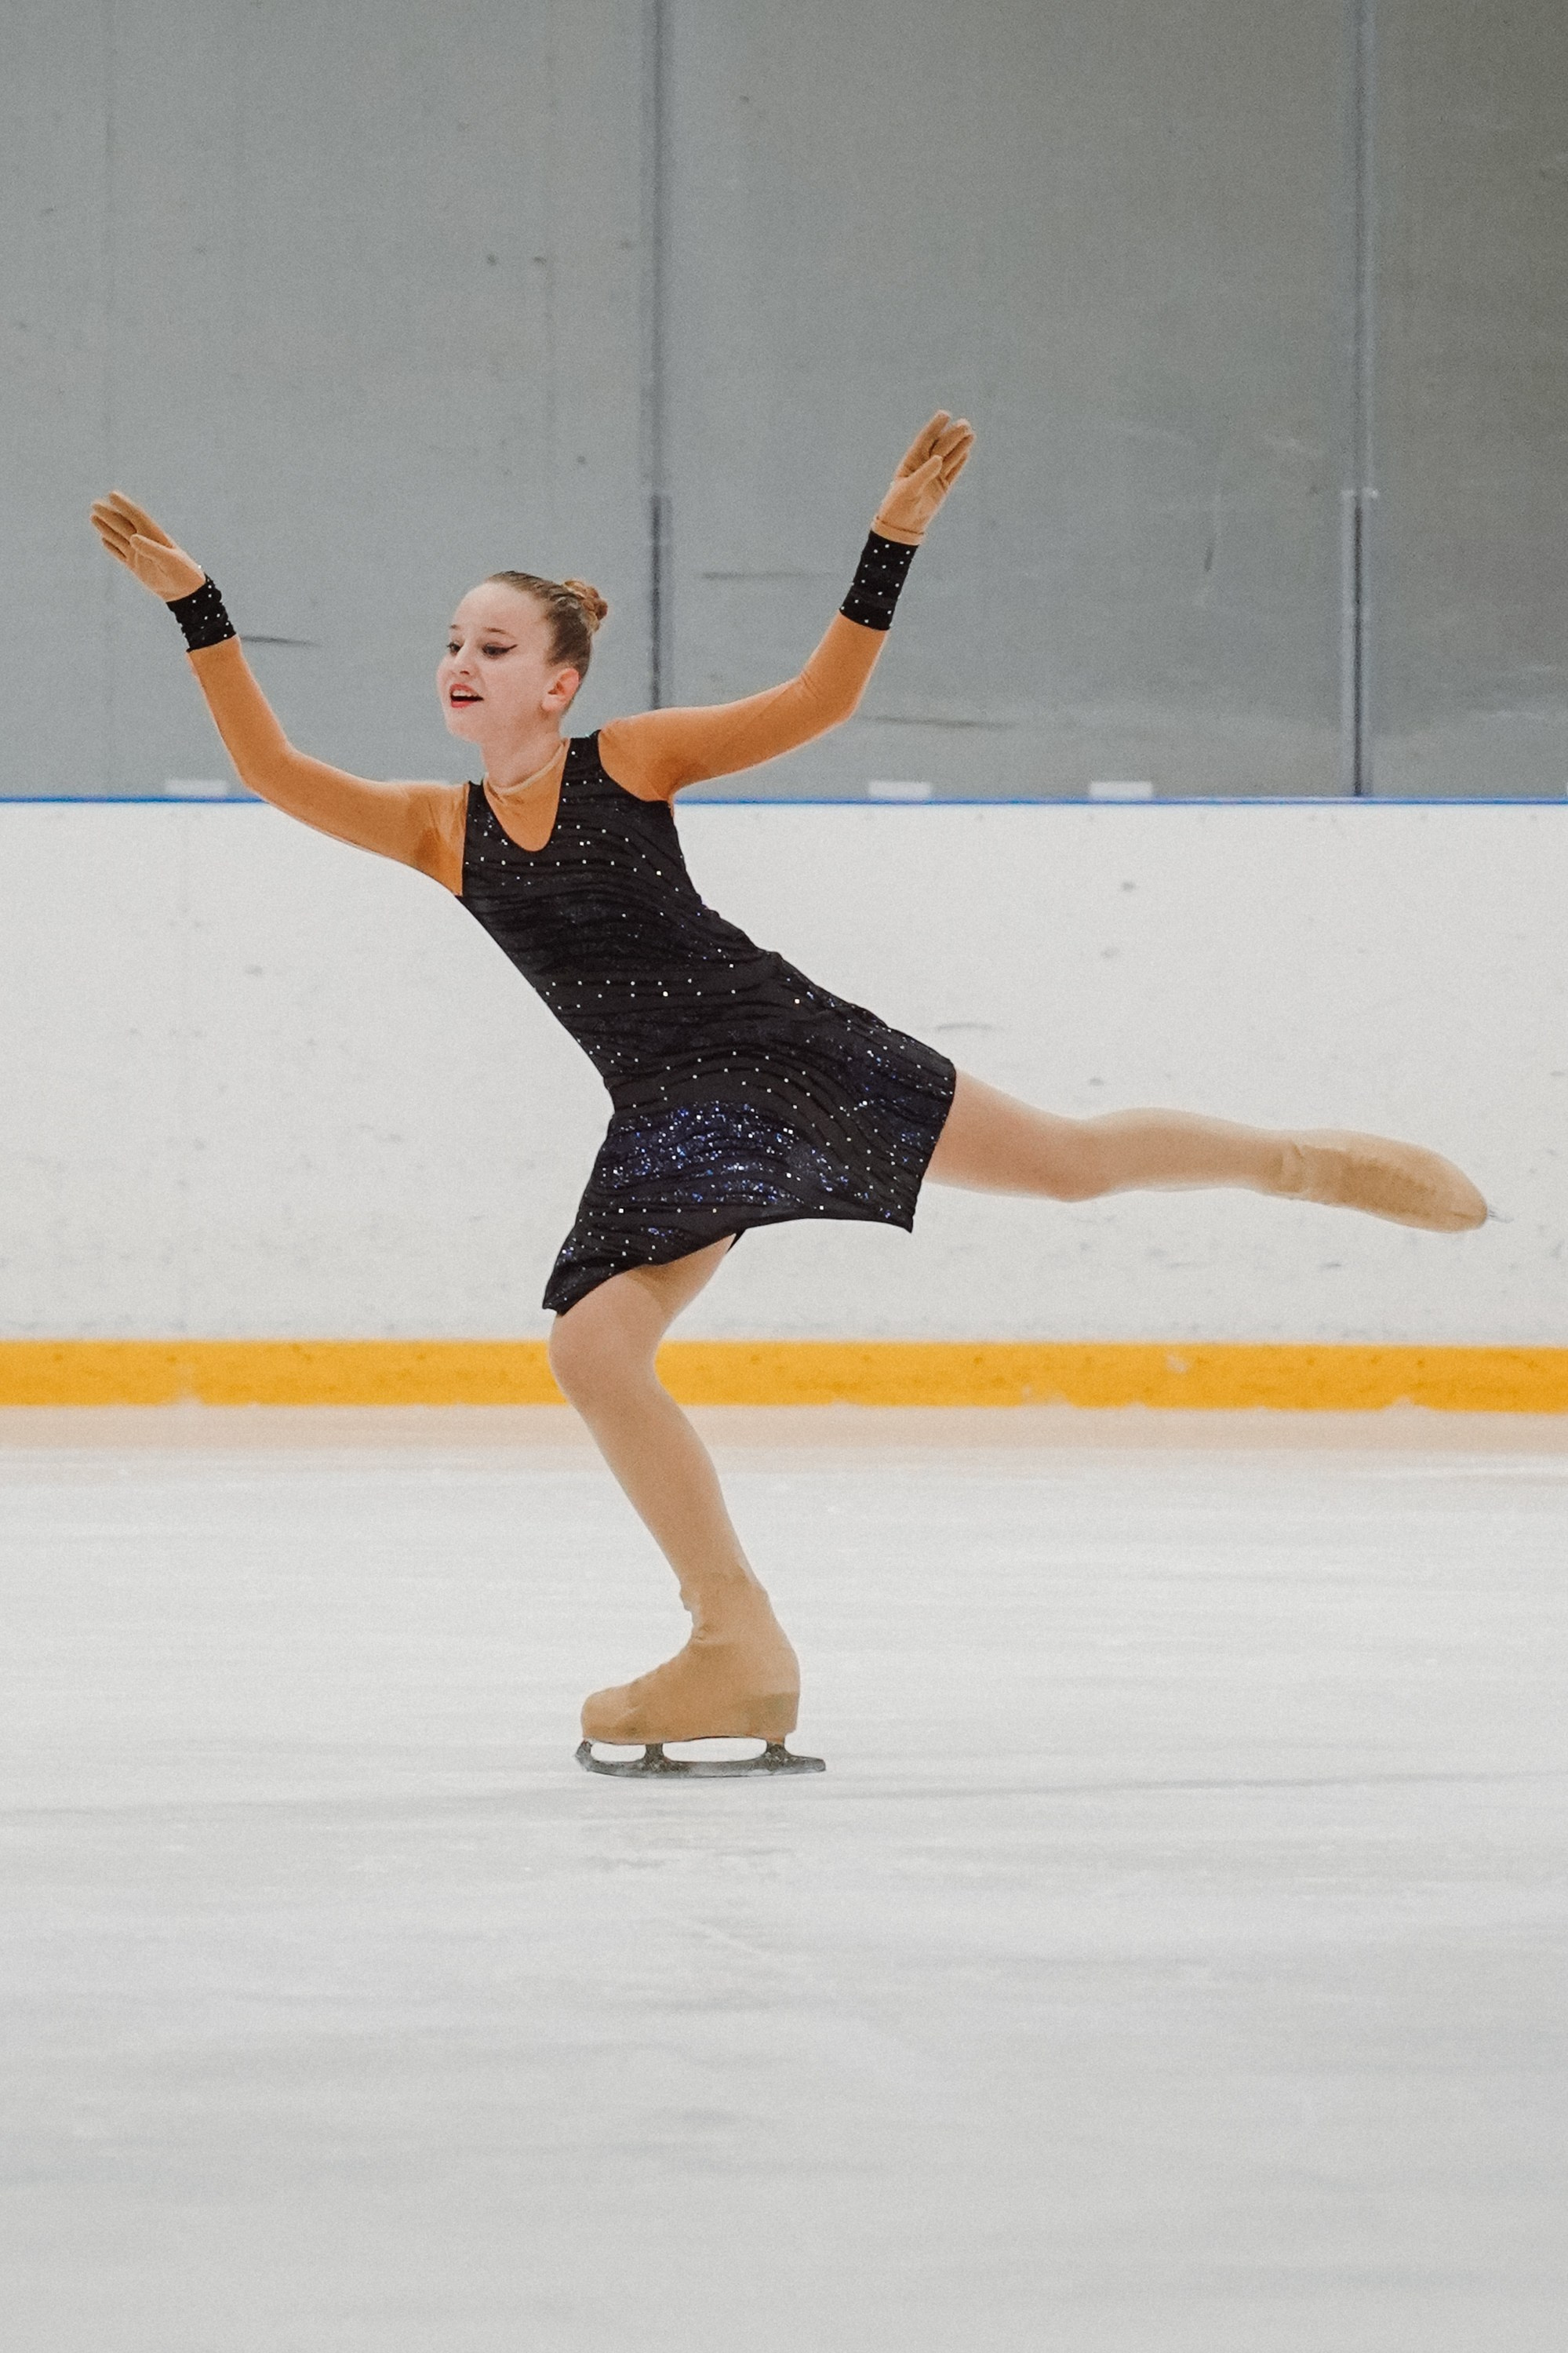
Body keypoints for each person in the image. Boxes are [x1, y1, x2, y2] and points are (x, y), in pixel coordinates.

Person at [90, 414, 1486, 1778]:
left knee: (1063, 1163)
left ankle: (1303, 1163)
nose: (461, 663)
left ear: (559, 681)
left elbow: (818, 704)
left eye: (494, 646)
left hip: (785, 1047)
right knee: (592, 1348)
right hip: (670, 1109)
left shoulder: (625, 765)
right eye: (452, 644)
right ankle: (733, 1643)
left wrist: (890, 540)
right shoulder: (438, 831)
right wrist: (199, 608)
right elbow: (272, 771)